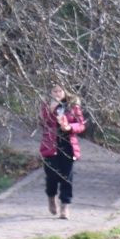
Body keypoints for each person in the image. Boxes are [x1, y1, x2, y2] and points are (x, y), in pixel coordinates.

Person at [39, 84, 86, 220]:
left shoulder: (72, 105)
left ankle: (65, 206)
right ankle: (51, 197)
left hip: (67, 145)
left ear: (65, 92)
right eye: (55, 91)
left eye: (60, 91)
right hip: (50, 145)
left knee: (67, 177)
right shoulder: (46, 105)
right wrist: (51, 109)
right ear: (50, 92)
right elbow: (43, 122)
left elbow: (81, 124)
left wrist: (69, 127)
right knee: (51, 176)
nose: (58, 93)